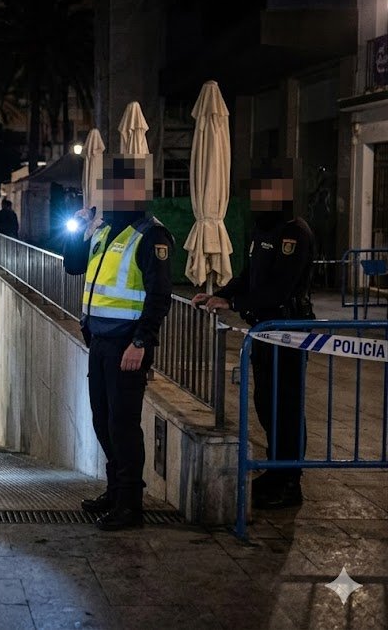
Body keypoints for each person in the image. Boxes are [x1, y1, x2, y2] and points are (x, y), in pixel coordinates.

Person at [191, 161, 314, 510]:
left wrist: (234, 303)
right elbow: (248, 276)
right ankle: (276, 472)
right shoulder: (263, 230)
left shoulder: (294, 233)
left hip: (288, 332)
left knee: (286, 408)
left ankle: (290, 481)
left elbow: (278, 289)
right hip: (264, 331)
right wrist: (220, 295)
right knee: (266, 404)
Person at [63, 153, 173, 531]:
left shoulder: (151, 235)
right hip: (99, 342)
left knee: (123, 425)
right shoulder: (104, 230)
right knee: (103, 420)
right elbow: (73, 266)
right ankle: (114, 491)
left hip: (127, 345)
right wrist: (78, 231)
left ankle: (130, 505)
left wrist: (141, 342)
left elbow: (159, 295)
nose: (111, 195)